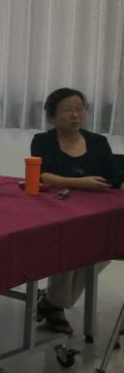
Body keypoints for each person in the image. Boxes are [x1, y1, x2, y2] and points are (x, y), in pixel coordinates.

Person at [31, 87, 123, 334]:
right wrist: (80, 183)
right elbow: (43, 175)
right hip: (58, 209)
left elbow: (114, 177)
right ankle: (55, 304)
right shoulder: (43, 141)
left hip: (95, 211)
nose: (75, 115)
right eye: (67, 110)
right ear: (52, 116)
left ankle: (51, 301)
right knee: (68, 249)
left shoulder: (98, 142)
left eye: (79, 108)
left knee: (101, 253)